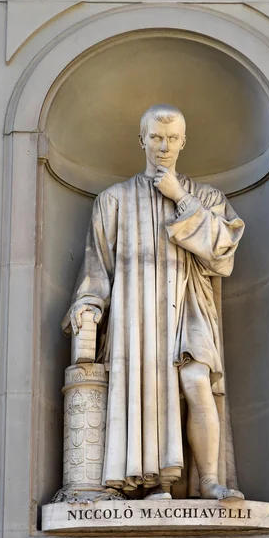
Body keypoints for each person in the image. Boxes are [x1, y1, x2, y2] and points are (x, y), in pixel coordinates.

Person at [62, 104, 245, 500]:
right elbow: (98, 267)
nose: (164, 147)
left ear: (183, 142)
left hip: (190, 303)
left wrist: (179, 195)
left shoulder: (207, 196)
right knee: (148, 389)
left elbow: (222, 250)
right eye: (157, 138)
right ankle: (154, 483)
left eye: (172, 139)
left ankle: (210, 479)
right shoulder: (114, 200)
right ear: (142, 139)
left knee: (198, 381)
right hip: (137, 312)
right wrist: (88, 305)